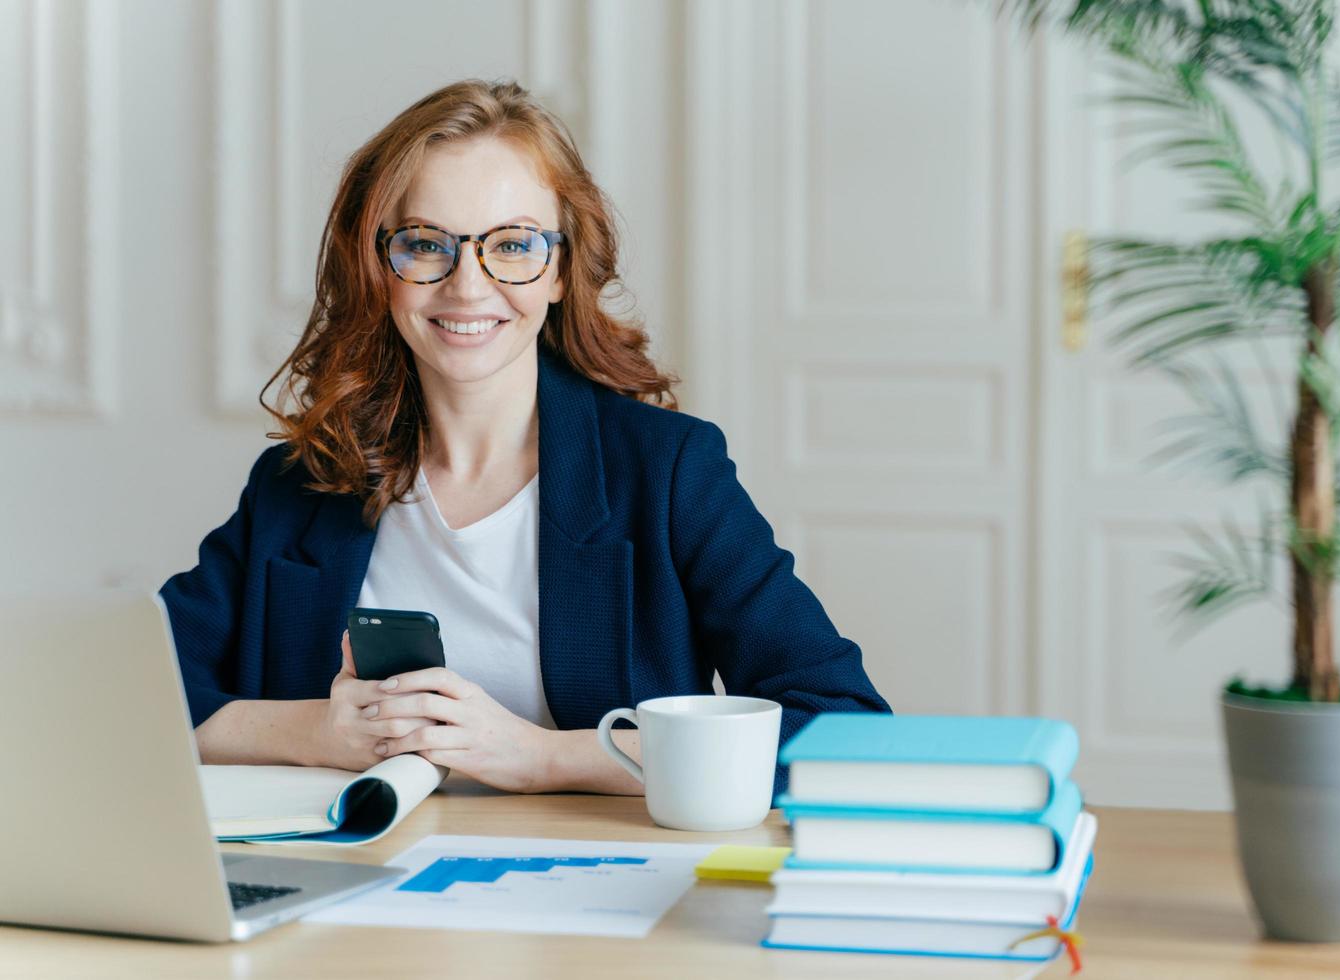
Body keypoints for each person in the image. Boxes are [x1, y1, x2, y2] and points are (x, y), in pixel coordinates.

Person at [160, 78, 888, 798]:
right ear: (377, 268)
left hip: (598, 897)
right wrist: (316, 731)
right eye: (424, 244)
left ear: (563, 269)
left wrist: (541, 756)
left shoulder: (667, 474)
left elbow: (842, 727)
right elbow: (134, 693)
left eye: (511, 245)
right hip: (342, 894)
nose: (468, 286)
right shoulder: (300, 484)